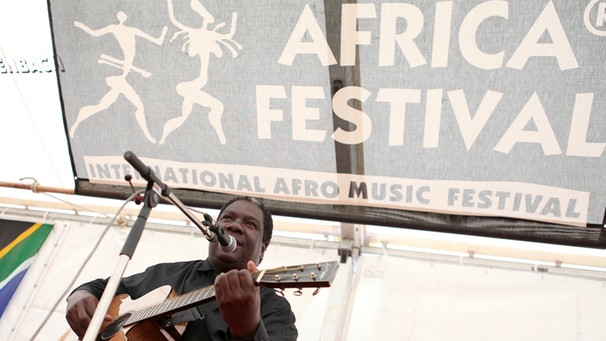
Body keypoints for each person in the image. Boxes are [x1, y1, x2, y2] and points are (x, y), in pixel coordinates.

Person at [65, 196, 298, 340]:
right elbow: (103, 287)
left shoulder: (275, 310)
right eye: (227, 218)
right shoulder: (165, 273)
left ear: (262, 250)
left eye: (250, 224)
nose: (234, 226)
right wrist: (80, 294)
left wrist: (247, 329)